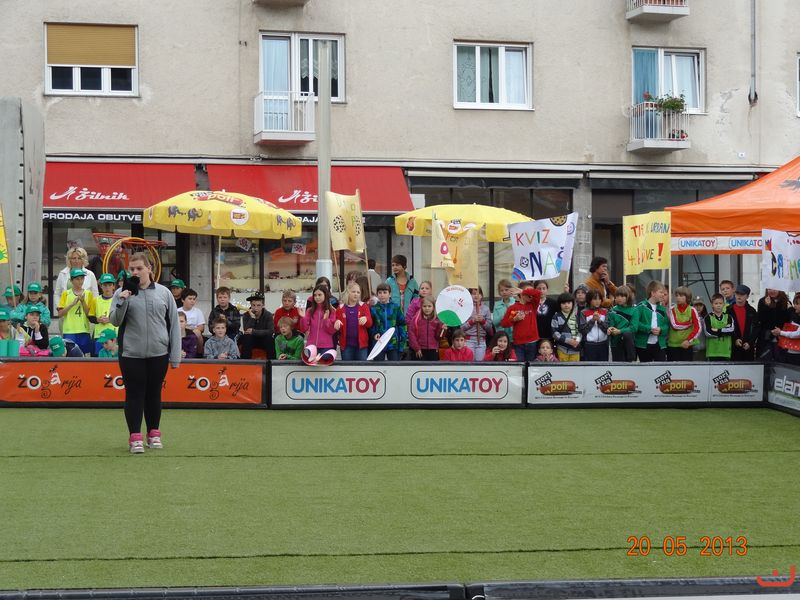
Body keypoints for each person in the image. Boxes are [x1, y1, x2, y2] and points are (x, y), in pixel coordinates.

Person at [109, 252, 181, 454]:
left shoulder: (164, 293)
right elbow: (115, 320)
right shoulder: (121, 293)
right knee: (134, 394)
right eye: (132, 269)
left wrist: (175, 356)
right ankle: (135, 437)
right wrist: (124, 299)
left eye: (139, 268)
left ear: (149, 269)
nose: (135, 272)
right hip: (131, 354)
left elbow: (174, 325)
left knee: (154, 394)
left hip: (159, 353)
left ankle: (154, 433)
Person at [57, 268, 95, 356]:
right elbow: (60, 314)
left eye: (82, 278)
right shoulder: (66, 294)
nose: (80, 281)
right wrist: (71, 304)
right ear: (71, 280)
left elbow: (89, 314)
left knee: (83, 355)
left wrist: (83, 301)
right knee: (70, 355)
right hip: (69, 330)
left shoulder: (88, 294)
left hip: (83, 330)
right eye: (77, 279)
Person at [501, 286, 542, 362]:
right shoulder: (513, 308)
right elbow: (504, 324)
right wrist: (514, 319)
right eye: (528, 295)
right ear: (522, 296)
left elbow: (538, 293)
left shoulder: (532, 305)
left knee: (530, 366)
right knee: (519, 366)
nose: (531, 296)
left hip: (532, 342)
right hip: (518, 343)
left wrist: (523, 291)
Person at [631, 280, 669, 362]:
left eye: (664, 293)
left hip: (659, 345)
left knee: (661, 368)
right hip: (643, 345)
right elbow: (635, 324)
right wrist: (649, 329)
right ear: (653, 293)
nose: (663, 295)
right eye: (661, 292)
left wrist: (661, 330)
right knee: (646, 369)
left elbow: (666, 325)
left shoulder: (662, 309)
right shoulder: (641, 306)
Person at [335, 281, 373, 361]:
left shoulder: (364, 306)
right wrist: (336, 322)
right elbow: (336, 326)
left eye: (358, 292)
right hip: (346, 346)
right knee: (347, 368)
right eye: (353, 292)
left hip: (361, 345)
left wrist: (366, 319)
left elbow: (370, 324)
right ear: (348, 292)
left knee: (362, 368)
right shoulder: (340, 308)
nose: (356, 294)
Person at [369, 282, 406, 360]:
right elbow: (371, 325)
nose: (382, 295)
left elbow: (402, 324)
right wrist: (374, 333)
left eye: (385, 292)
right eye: (380, 293)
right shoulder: (373, 309)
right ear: (377, 294)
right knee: (378, 365)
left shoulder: (395, 308)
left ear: (390, 294)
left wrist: (402, 344)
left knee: (394, 365)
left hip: (393, 343)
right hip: (379, 343)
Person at [299, 283, 338, 357]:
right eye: (315, 295)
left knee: (323, 362)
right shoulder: (310, 310)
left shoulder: (331, 311)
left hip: (326, 346)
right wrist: (303, 317)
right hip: (312, 346)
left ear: (325, 295)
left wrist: (326, 320)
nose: (317, 297)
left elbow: (332, 331)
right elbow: (304, 329)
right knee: (313, 363)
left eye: (319, 295)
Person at [666, 286, 702, 362]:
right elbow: (675, 325)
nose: (678, 298)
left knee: (687, 368)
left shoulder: (692, 310)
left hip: (687, 345)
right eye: (677, 296)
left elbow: (698, 328)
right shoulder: (672, 309)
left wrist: (688, 341)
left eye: (681, 296)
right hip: (673, 345)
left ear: (687, 297)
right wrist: (689, 323)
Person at [757, 289, 791, 360]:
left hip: (781, 337)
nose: (772, 291)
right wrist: (767, 306)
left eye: (774, 289)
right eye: (769, 289)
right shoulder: (762, 301)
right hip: (766, 338)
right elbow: (760, 319)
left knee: (781, 361)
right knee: (766, 361)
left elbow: (788, 321)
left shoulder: (786, 302)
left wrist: (790, 310)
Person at [239, 292, 275, 359]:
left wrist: (254, 332)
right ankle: (245, 363)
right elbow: (246, 330)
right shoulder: (246, 315)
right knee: (246, 337)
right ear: (250, 304)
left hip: (264, 339)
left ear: (263, 305)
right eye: (253, 305)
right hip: (251, 340)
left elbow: (271, 331)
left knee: (270, 339)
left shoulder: (268, 315)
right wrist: (252, 318)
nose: (256, 308)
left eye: (258, 305)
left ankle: (272, 363)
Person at [90, 273, 118, 356]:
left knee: (115, 360)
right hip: (99, 336)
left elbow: (123, 317)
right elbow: (90, 317)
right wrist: (98, 319)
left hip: (114, 335)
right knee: (99, 359)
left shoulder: (118, 300)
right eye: (105, 285)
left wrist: (110, 319)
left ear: (113, 286)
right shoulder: (95, 300)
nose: (107, 288)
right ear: (101, 286)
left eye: (109, 285)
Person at [408, 296, 443, 361]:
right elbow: (411, 334)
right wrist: (417, 348)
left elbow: (438, 337)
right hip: (419, 350)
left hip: (433, 350)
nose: (427, 308)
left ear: (433, 307)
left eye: (429, 306)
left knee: (432, 367)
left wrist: (443, 329)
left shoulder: (437, 320)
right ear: (421, 307)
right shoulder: (416, 319)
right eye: (424, 306)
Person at [730, 284, 760, 361]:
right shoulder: (728, 310)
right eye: (737, 293)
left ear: (747, 296)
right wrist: (735, 339)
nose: (739, 296)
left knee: (748, 367)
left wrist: (750, 343)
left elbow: (756, 329)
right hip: (732, 347)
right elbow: (726, 327)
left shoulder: (752, 311)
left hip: (748, 347)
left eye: (742, 294)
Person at [463, 286, 493, 360]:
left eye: (478, 293)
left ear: (481, 295)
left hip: (481, 341)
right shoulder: (466, 308)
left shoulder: (486, 309)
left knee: (480, 363)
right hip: (468, 340)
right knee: (469, 362)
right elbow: (461, 327)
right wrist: (472, 321)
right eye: (473, 294)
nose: (476, 296)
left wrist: (483, 321)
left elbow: (489, 328)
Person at [579, 290, 609, 361]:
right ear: (589, 300)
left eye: (599, 299)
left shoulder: (605, 311)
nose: (597, 301)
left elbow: (607, 329)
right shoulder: (583, 312)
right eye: (595, 299)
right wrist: (592, 320)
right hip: (589, 345)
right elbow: (583, 330)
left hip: (603, 344)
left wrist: (599, 321)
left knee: (603, 366)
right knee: (590, 366)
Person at [608, 286, 636, 362]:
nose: (619, 298)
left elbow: (634, 327)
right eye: (617, 296)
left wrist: (620, 331)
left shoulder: (634, 310)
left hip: (629, 345)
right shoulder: (613, 310)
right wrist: (610, 329)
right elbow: (611, 324)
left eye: (622, 296)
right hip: (615, 343)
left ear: (628, 297)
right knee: (618, 366)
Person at [704, 294, 735, 361]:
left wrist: (717, 330)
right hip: (712, 352)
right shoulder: (708, 317)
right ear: (712, 305)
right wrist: (724, 332)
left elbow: (731, 331)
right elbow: (708, 333)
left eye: (720, 303)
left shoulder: (729, 317)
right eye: (716, 303)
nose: (718, 305)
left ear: (724, 304)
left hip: (725, 351)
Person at [551, 292, 581, 362]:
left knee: (575, 367)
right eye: (563, 303)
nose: (566, 305)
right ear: (560, 304)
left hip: (575, 349)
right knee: (563, 367)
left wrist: (577, 340)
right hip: (562, 349)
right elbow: (555, 334)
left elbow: (580, 331)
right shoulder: (556, 317)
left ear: (572, 304)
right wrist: (568, 341)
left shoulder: (576, 317)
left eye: (569, 303)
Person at [772, 293, 800, 365]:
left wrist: (781, 332)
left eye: (797, 304)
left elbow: (797, 334)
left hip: (797, 353)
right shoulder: (794, 315)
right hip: (790, 350)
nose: (795, 306)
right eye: (794, 303)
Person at [177, 287, 205, 354]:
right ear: (183, 300)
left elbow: (201, 328)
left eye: (194, 299)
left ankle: (199, 354)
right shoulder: (177, 311)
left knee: (198, 333)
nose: (192, 301)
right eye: (190, 299)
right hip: (179, 332)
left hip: (192, 333)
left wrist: (189, 329)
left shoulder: (198, 311)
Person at [533, 280, 558, 345]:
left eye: (544, 288)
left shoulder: (553, 303)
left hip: (549, 334)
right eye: (539, 289)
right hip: (535, 335)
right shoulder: (532, 303)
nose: (541, 291)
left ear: (547, 290)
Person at [492, 278, 515, 342]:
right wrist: (504, 314)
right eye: (501, 290)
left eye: (506, 290)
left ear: (511, 290)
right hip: (501, 337)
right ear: (499, 292)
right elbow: (495, 322)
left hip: (514, 336)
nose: (504, 292)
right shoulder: (497, 304)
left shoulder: (515, 302)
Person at [692, 296, 708, 361]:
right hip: (691, 349)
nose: (698, 307)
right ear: (692, 306)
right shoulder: (689, 318)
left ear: (703, 306)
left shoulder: (707, 318)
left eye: (700, 305)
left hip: (703, 350)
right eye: (696, 305)